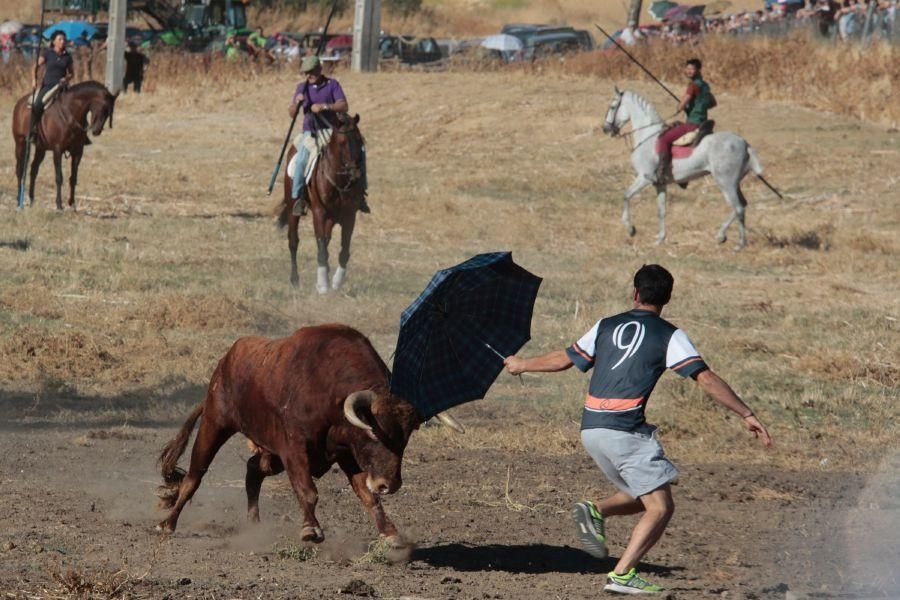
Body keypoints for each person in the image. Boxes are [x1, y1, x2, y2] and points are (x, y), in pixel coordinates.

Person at [503, 264, 771, 595]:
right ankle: (622, 574)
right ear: (667, 298)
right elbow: (705, 378)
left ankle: (595, 510)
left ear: (635, 293)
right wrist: (746, 412)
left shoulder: (606, 324)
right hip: (624, 431)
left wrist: (521, 364)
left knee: (640, 496)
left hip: (591, 429)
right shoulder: (669, 334)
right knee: (661, 507)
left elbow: (564, 359)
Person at [288, 54, 369, 216]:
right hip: (311, 131)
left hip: (332, 130)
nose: (308, 75)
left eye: (311, 71)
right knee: (302, 158)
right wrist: (297, 103)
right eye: (305, 72)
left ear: (319, 69)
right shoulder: (301, 88)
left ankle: (361, 193)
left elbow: (344, 105)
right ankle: (299, 197)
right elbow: (292, 114)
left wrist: (325, 106)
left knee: (359, 151)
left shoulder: (333, 85)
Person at [655, 58, 716, 184]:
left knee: (663, 138)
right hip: (703, 121)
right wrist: (698, 106)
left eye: (692, 69)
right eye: (687, 68)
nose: (689, 71)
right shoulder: (705, 85)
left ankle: (661, 173)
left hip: (692, 124)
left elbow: (682, 105)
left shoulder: (692, 85)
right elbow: (713, 103)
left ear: (698, 70)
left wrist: (681, 107)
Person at [30, 30, 74, 142]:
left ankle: (81, 134)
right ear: (54, 42)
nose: (63, 41)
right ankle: (32, 131)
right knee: (37, 105)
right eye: (60, 39)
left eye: (64, 39)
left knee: (76, 105)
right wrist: (34, 80)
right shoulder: (48, 53)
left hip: (62, 87)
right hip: (48, 86)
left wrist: (67, 78)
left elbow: (71, 73)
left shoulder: (68, 56)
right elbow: (35, 66)